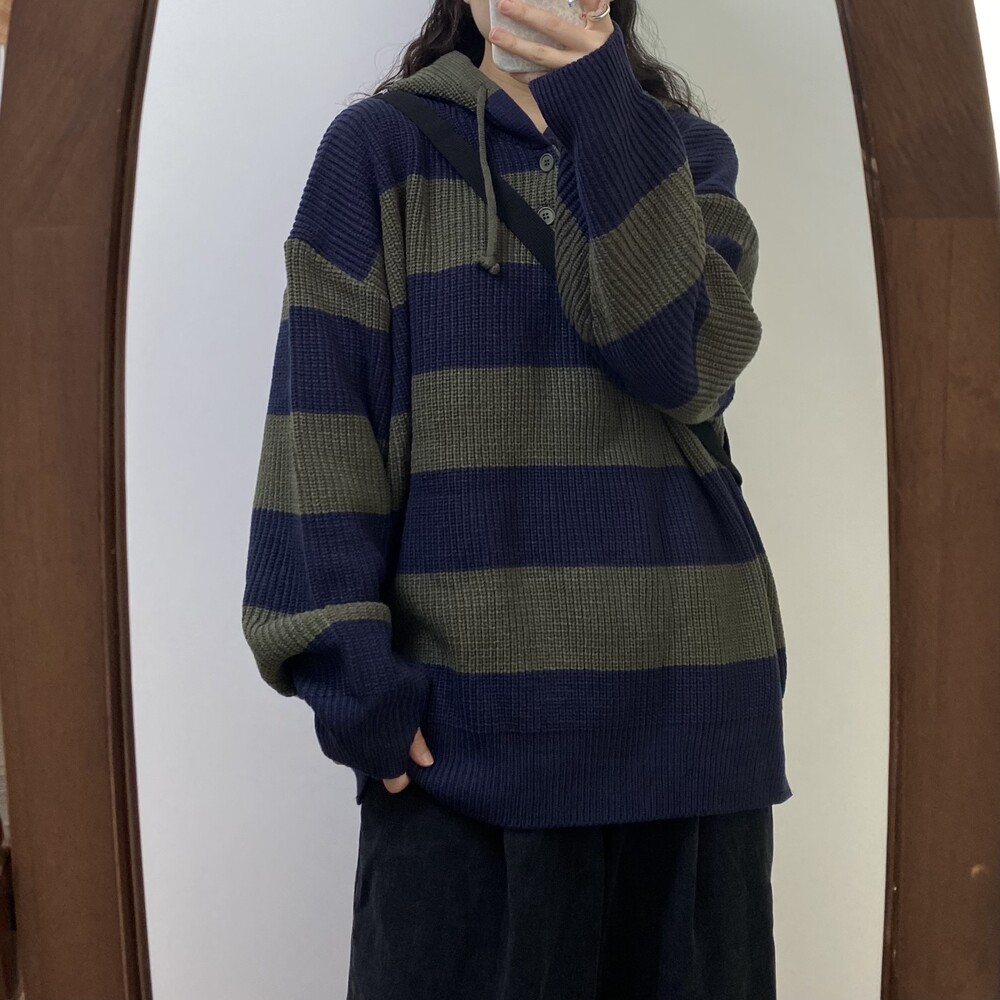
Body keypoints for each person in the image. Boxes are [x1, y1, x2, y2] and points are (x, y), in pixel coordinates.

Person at [241, 0, 791, 996]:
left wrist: (599, 108)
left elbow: (678, 366)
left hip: (690, 727)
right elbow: (320, 421)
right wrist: (355, 683)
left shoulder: (684, 155)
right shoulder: (379, 152)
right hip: (463, 747)